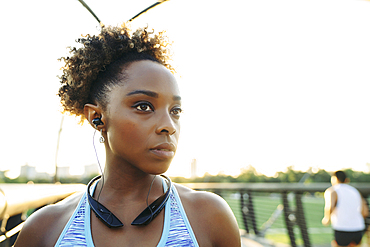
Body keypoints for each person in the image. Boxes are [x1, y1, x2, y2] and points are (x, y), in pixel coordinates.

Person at [14, 24, 241, 247]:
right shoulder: (45, 229)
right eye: (144, 106)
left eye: (175, 111)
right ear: (97, 117)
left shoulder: (211, 217)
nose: (168, 126)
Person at [322, 170, 369, 247]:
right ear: (346, 180)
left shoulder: (332, 190)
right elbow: (365, 212)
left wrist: (326, 218)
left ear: (334, 179)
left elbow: (329, 206)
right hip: (358, 228)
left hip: (342, 229)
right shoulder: (355, 191)